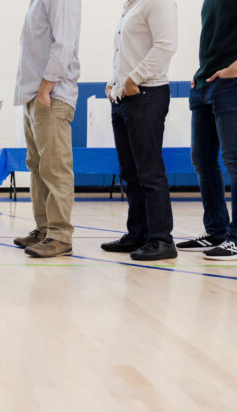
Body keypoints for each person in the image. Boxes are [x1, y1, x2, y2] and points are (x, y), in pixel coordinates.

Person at [100, 0, 178, 261]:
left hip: (146, 93)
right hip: (122, 98)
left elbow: (166, 45)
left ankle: (162, 239)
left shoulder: (158, 2)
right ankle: (138, 234)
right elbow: (125, 51)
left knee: (149, 171)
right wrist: (113, 83)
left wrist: (134, 78)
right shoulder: (130, 6)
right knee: (130, 173)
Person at [12, 0, 81, 258]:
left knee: (55, 166)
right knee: (38, 167)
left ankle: (60, 235)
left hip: (51, 93)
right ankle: (44, 230)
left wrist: (46, 87)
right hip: (35, 94)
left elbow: (64, 42)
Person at [176, 0, 237, 260]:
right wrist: (201, 73)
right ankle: (216, 231)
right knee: (202, 159)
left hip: (230, 83)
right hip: (205, 83)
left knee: (234, 160)